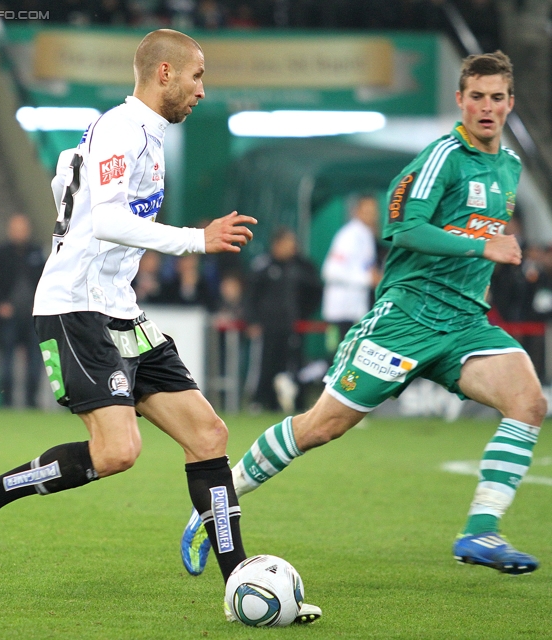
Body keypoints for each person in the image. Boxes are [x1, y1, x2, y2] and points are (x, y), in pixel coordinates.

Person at [0, 28, 319, 623]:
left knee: (209, 436)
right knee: (118, 451)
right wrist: (197, 240)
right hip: (75, 306)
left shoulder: (148, 133)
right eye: (197, 76)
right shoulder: (123, 129)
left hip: (120, 308)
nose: (202, 89)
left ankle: (239, 585)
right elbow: (113, 221)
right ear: (164, 73)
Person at [181, 51, 545, 580]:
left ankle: (480, 530)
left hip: (465, 324)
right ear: (460, 100)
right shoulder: (440, 158)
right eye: (476, 97)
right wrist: (481, 245)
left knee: (528, 402)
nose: (486, 107)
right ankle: (214, 506)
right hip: (405, 320)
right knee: (319, 428)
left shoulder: (509, 166)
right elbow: (405, 230)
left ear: (510, 103)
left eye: (496, 98)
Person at [245, 228, 322, 412]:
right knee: (265, 365)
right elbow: (250, 296)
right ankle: (260, 401)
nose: (292, 248)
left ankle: (296, 403)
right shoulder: (263, 266)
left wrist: (304, 313)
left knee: (294, 366)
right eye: (288, 244)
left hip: (291, 326)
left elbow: (315, 290)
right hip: (267, 327)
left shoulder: (301, 267)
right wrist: (252, 320)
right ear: (276, 244)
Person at [0, 214, 46, 408]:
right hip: (8, 317)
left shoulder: (36, 252)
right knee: (6, 361)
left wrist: (39, 305)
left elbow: (45, 281)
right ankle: (6, 400)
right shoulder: (1, 252)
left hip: (32, 316)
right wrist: (0, 304)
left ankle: (31, 400)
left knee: (35, 361)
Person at [321, 194, 382, 348]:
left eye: (374, 211)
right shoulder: (348, 235)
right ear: (357, 211)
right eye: (367, 211)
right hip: (340, 313)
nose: (372, 215)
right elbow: (330, 271)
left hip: (355, 312)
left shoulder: (366, 235)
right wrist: (368, 279)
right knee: (336, 359)